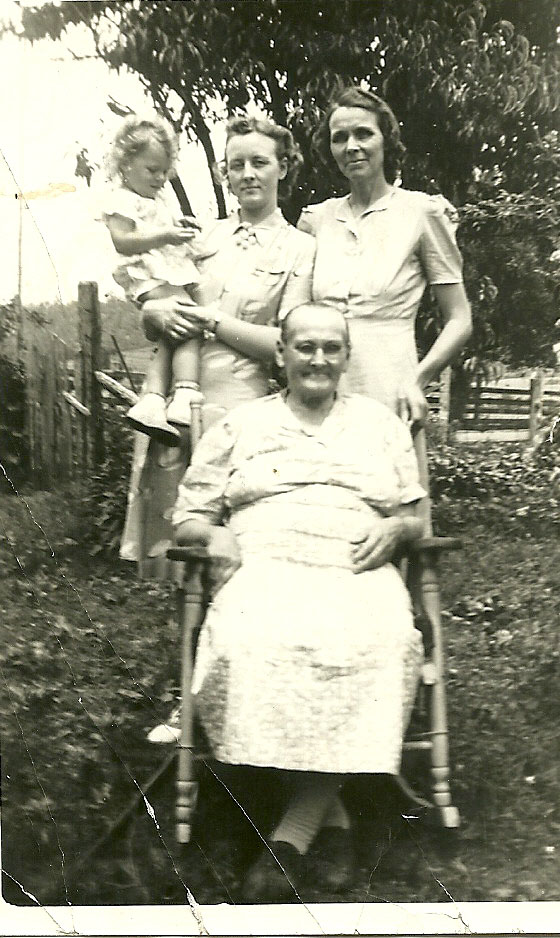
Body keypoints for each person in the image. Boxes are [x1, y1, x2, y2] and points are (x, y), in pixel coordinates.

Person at [172, 304, 427, 901]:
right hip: (265, 562)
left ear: (346, 356)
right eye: (305, 347)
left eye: (331, 348)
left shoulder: (378, 424)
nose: (318, 359)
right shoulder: (240, 425)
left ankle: (291, 835)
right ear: (280, 354)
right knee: (251, 641)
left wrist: (399, 531)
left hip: (355, 564)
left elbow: (412, 514)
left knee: (382, 642)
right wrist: (215, 535)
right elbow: (188, 516)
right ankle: (329, 820)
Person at [120, 114, 315, 581]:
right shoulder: (199, 237)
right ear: (223, 175)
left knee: (235, 551)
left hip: (240, 411)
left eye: (260, 163)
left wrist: (211, 319)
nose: (248, 174)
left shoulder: (300, 249)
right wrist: (153, 315)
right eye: (236, 165)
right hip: (173, 411)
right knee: (178, 552)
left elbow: (285, 346)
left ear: (283, 168)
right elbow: (155, 295)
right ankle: (190, 651)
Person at [298, 85, 472, 424]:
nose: (351, 147)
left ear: (386, 140)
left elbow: (460, 319)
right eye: (339, 137)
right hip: (320, 383)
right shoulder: (316, 220)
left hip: (391, 384)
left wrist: (418, 380)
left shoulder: (421, 213)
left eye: (364, 134)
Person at [102, 114, 206, 443]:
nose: (160, 178)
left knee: (171, 332)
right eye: (152, 170)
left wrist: (181, 227)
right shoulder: (121, 199)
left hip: (161, 268)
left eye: (164, 171)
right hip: (145, 273)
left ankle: (153, 400)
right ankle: (185, 393)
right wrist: (165, 236)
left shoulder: (155, 200)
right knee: (190, 318)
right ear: (125, 163)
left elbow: (166, 231)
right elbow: (122, 240)